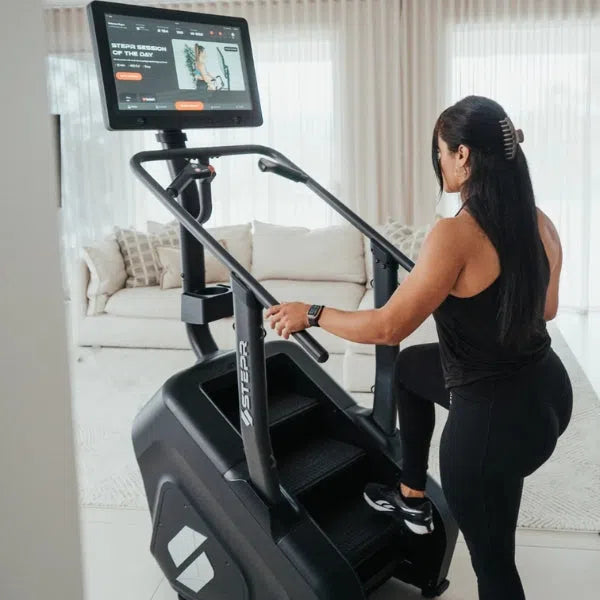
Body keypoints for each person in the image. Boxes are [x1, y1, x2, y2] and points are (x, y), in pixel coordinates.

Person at [264, 95, 573, 600]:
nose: (439, 162)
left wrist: (312, 313)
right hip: (548, 396)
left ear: (463, 157)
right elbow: (547, 310)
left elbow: (388, 326)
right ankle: (411, 495)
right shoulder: (539, 221)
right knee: (412, 369)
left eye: (440, 151)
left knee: (495, 567)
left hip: (492, 425)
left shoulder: (456, 234)